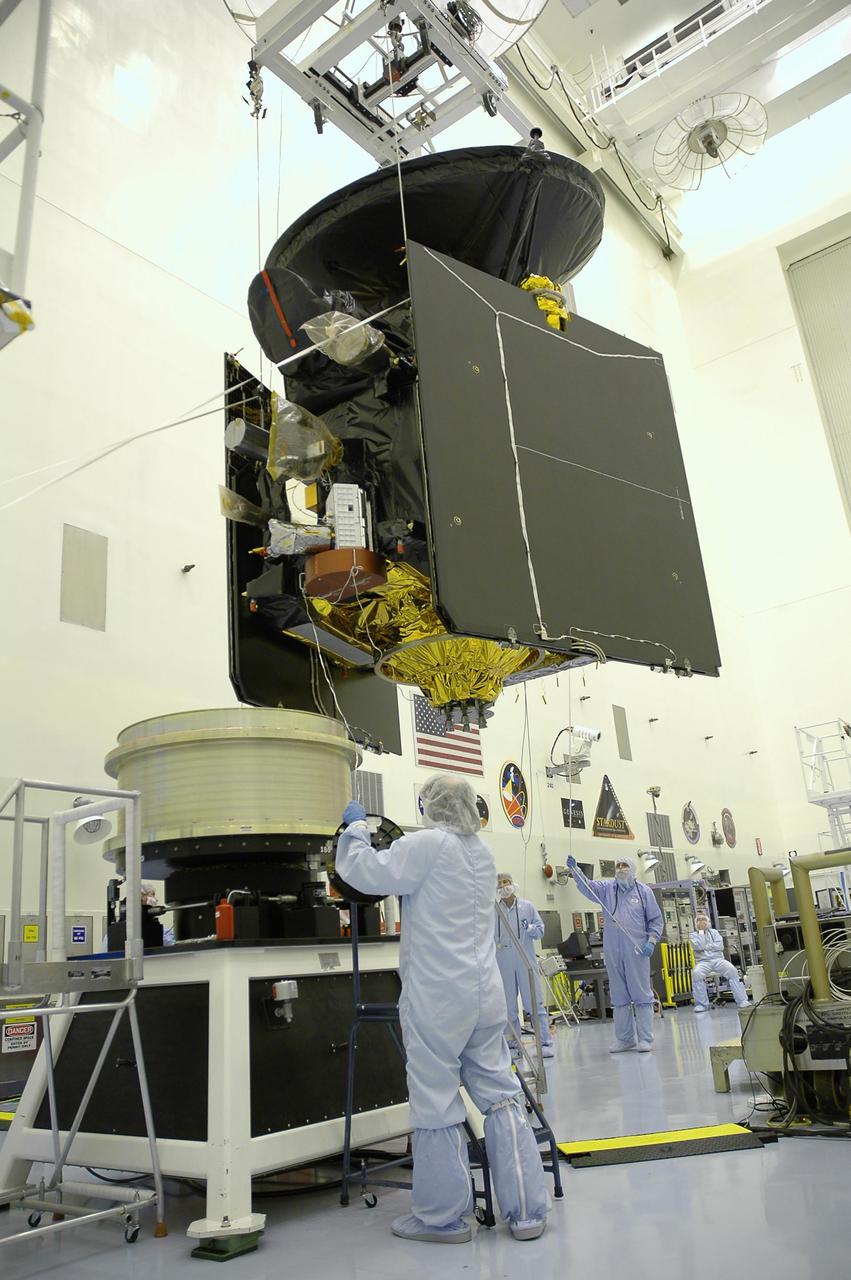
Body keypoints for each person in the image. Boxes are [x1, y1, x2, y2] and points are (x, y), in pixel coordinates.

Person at [336, 775, 550, 1245]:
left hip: (438, 996)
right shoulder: (481, 852)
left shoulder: (427, 844)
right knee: (500, 1093)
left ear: (431, 806)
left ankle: (442, 1218)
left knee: (436, 1099)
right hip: (485, 993)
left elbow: (365, 873)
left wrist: (353, 831)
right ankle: (528, 1212)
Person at [566, 854, 663, 1053]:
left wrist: (651, 941)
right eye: (617, 865)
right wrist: (576, 871)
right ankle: (625, 1039)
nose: (620, 868)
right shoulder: (608, 889)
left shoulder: (644, 892)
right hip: (613, 950)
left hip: (637, 950)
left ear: (633, 869)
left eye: (624, 865)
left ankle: (645, 1038)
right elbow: (588, 887)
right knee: (619, 995)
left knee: (641, 994)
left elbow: (656, 920)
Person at [495, 874, 555, 1058]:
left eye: (506, 882)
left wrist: (529, 928)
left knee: (534, 1002)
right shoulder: (493, 910)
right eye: (499, 884)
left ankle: (544, 1042)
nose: (503, 886)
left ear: (513, 884)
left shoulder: (527, 907)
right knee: (508, 1006)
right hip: (503, 961)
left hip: (525, 960)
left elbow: (540, 930)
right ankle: (513, 1046)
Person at [690, 911, 749, 1011]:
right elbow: (699, 946)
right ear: (695, 923)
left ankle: (742, 1000)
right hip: (703, 962)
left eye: (703, 919)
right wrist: (701, 932)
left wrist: (706, 947)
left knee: (732, 970)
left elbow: (720, 946)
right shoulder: (693, 935)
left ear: (708, 922)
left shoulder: (714, 932)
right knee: (696, 974)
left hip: (718, 960)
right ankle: (702, 1004)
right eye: (698, 920)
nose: (701, 922)